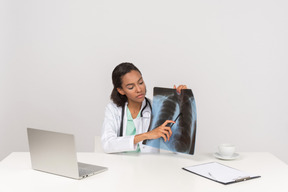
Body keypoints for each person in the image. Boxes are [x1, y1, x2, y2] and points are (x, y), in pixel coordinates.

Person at [101, 62, 187, 153]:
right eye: (131, 87)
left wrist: (183, 105)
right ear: (121, 90)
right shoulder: (113, 109)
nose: (139, 89)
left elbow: (177, 147)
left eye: (140, 82)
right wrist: (147, 135)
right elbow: (107, 144)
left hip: (148, 165)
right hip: (121, 165)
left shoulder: (156, 108)